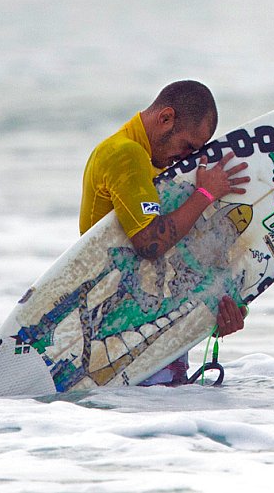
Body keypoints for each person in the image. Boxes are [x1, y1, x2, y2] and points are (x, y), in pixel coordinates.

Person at [79, 80, 250, 386]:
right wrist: (205, 195)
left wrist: (222, 309)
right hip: (117, 337)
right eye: (188, 146)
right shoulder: (124, 154)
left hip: (155, 339)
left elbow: (182, 260)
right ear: (165, 118)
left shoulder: (156, 166)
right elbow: (150, 243)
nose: (186, 159)